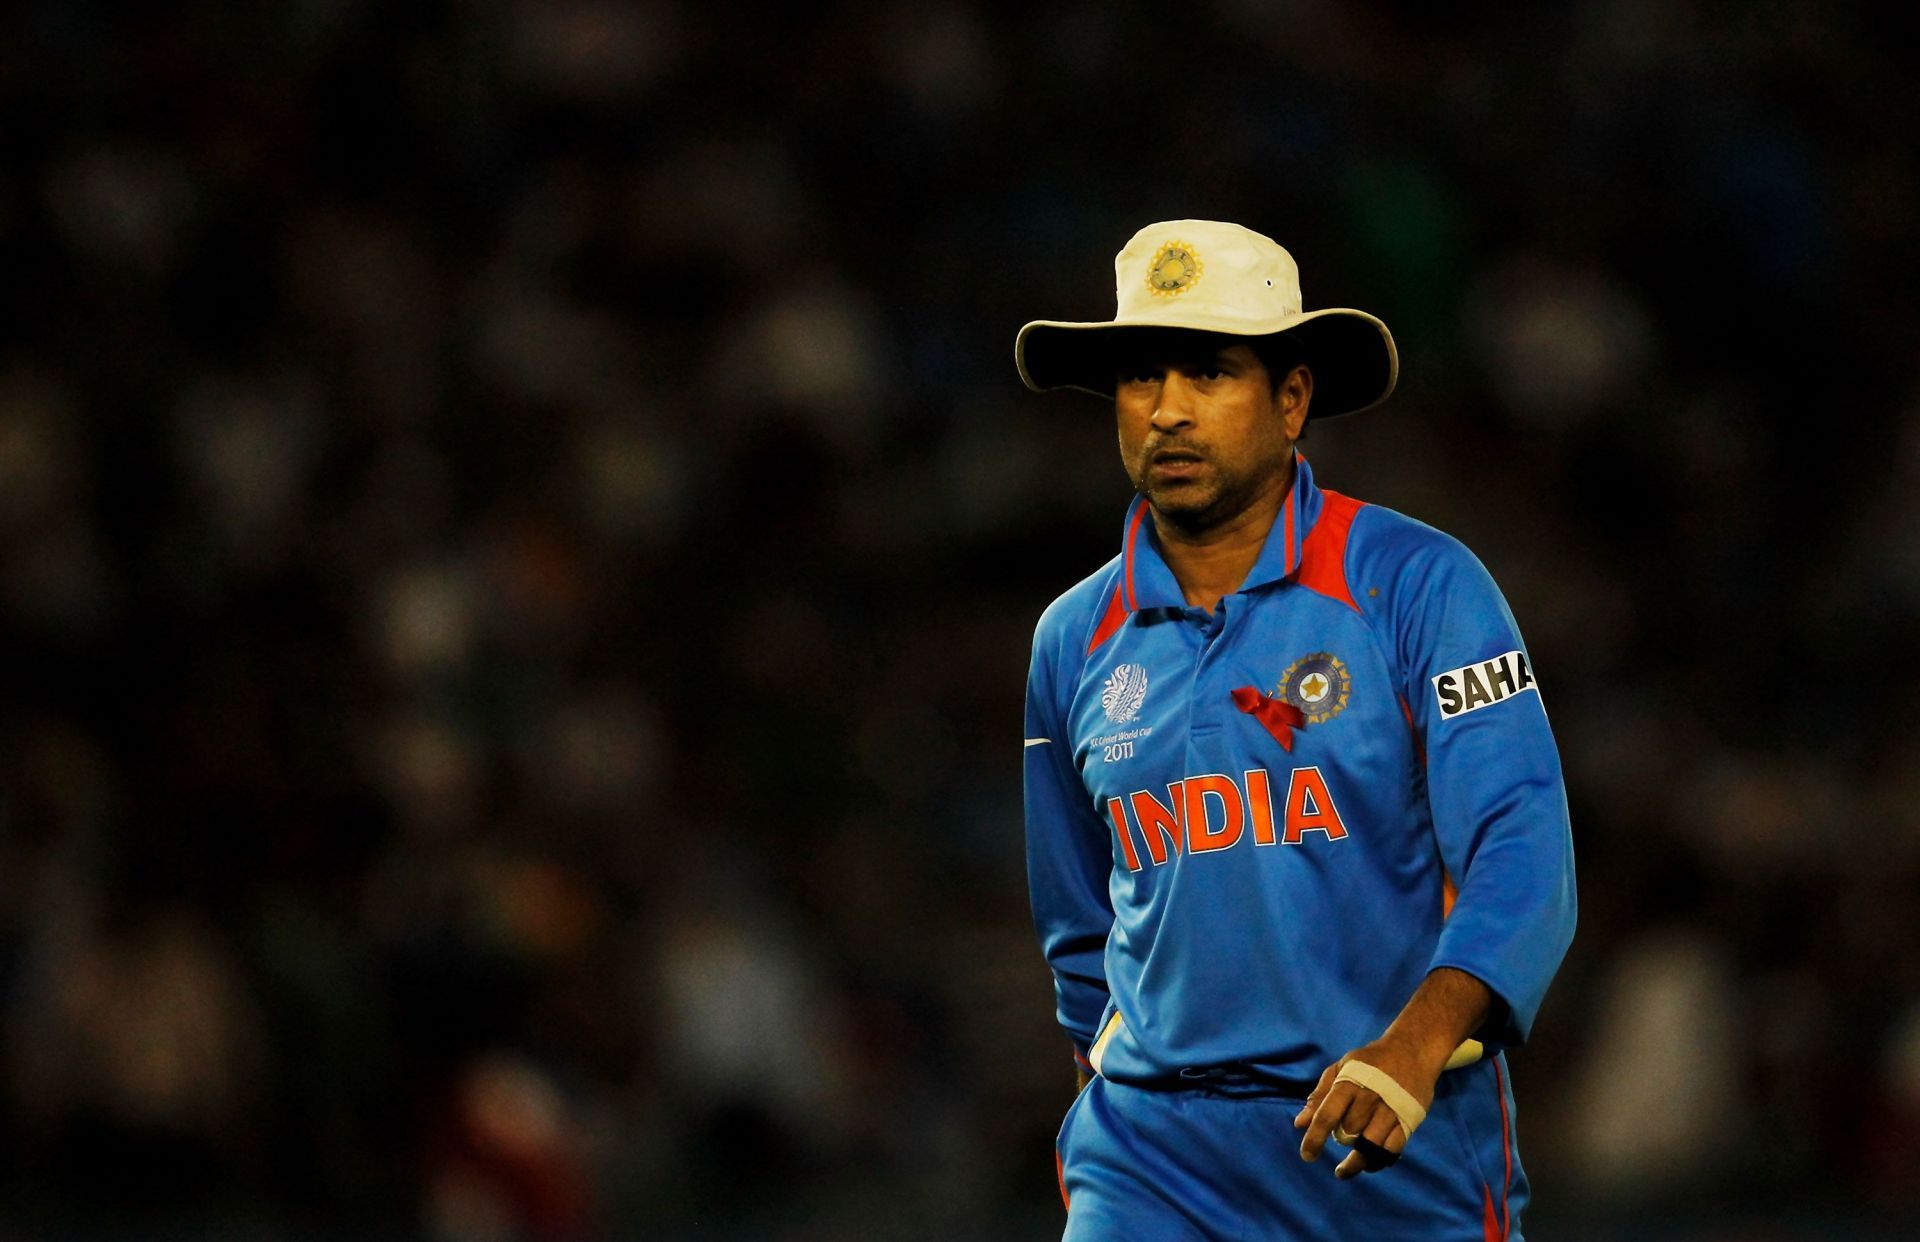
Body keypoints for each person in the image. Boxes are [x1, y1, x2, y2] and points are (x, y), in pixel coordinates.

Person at [1018, 219, 1576, 1239]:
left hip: (1384, 1139)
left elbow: (1523, 852)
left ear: (1291, 400)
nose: (1169, 412)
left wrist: (1414, 1046)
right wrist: (1120, 1059)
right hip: (1152, 1160)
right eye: (1141, 378)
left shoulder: (1419, 584)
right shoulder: (1070, 637)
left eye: (1210, 372)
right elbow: (1076, 923)